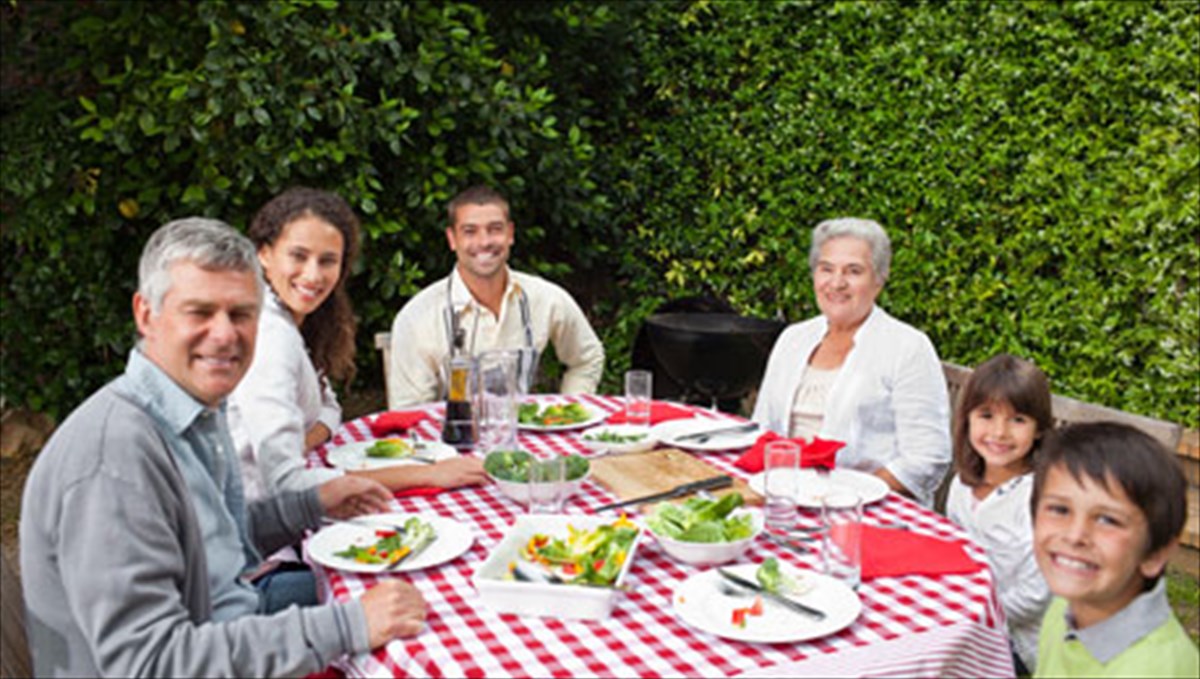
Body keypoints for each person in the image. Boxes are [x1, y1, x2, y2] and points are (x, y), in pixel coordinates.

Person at [19, 218, 427, 677]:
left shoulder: (194, 411)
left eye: (240, 314)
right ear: (145, 314)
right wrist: (347, 624)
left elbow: (212, 543)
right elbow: (148, 663)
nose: (224, 334)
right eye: (199, 312)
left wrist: (309, 505)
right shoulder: (114, 458)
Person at [229, 188, 485, 501]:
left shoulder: (294, 320)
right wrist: (427, 473)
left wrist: (299, 443)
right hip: (249, 523)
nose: (313, 275)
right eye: (298, 256)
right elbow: (287, 482)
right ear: (264, 253)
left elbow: (329, 406)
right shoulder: (270, 336)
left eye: (327, 261)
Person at [752, 217, 951, 505]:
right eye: (826, 269)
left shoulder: (908, 347)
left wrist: (847, 498)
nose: (837, 283)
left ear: (879, 279)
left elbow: (926, 457)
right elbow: (763, 430)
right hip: (784, 500)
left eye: (854, 271)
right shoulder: (793, 339)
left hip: (867, 510)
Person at [387, 185, 605, 408]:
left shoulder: (546, 299)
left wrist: (568, 410)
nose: (484, 242)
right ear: (452, 239)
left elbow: (587, 358)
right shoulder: (417, 317)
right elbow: (409, 411)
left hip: (522, 437)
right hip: (448, 440)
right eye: (470, 231)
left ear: (510, 234)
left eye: (495, 229)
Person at [1032, 422, 1198, 677]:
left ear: (1156, 553)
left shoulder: (1155, 670)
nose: (1075, 536)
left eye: (1108, 520)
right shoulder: (1064, 608)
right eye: (1059, 509)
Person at [945, 353, 1053, 673]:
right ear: (967, 419)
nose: (1000, 432)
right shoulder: (962, 486)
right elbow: (955, 556)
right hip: (969, 620)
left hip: (1019, 642)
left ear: (1038, 429)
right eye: (987, 415)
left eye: (1017, 420)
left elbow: (1039, 593)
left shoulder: (1039, 498)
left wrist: (975, 619)